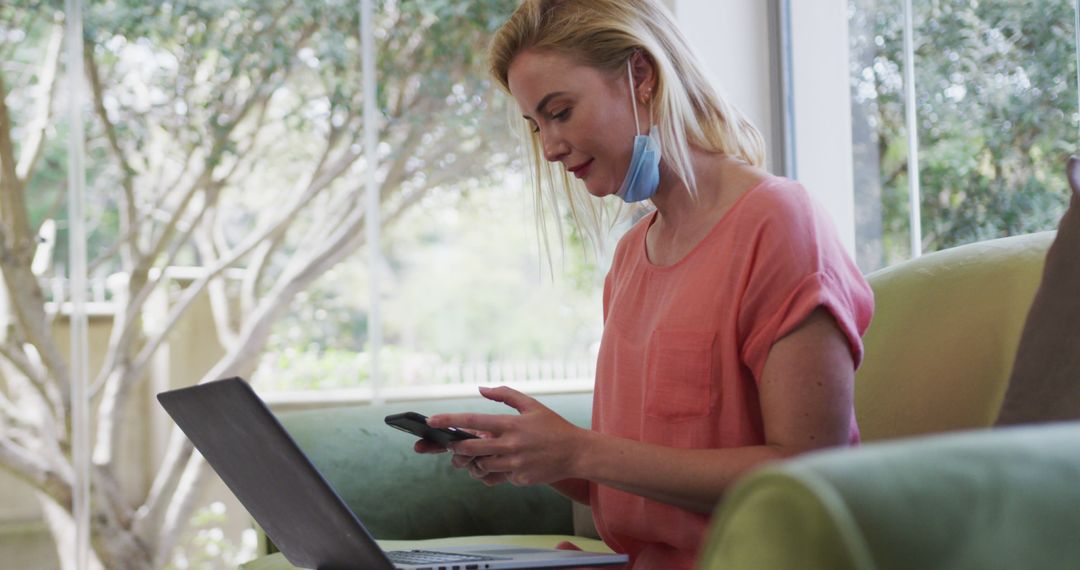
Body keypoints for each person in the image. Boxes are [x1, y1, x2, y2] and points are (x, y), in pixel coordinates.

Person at [416, 0, 875, 568]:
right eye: (537, 126)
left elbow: (811, 476)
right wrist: (539, 455)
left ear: (641, 75)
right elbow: (640, 482)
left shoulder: (778, 222)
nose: (550, 149)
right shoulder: (633, 255)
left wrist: (581, 449)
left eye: (560, 112)